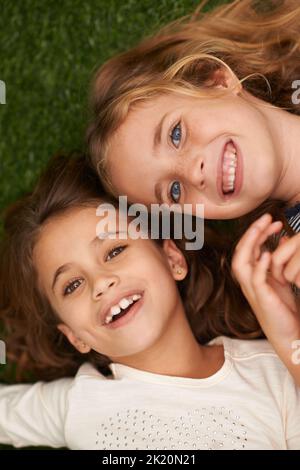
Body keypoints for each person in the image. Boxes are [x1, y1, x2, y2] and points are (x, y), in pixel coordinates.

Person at [0, 153, 299, 450]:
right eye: (72, 285)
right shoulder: (77, 403)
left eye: (115, 251)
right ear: (74, 336)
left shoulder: (275, 370)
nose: (101, 283)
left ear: (172, 259)